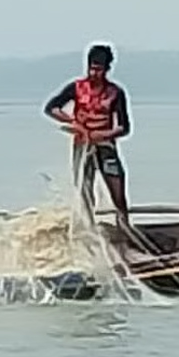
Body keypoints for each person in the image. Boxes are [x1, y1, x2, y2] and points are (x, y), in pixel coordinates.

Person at [43, 43, 132, 226]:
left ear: (107, 69)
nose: (94, 74)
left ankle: (124, 225)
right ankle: (89, 228)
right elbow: (51, 108)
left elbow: (124, 127)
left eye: (98, 70)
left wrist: (103, 134)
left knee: (117, 190)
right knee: (84, 190)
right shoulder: (76, 88)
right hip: (82, 146)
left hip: (106, 147)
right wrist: (71, 122)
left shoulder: (115, 93)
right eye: (91, 68)